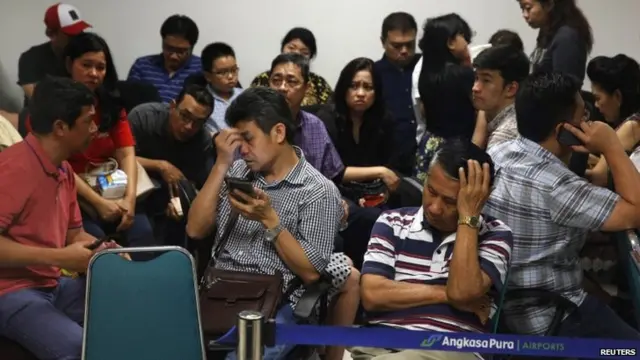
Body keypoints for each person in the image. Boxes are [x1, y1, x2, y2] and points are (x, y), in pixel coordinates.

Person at [186, 87, 359, 360]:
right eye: (236, 139)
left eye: (248, 138)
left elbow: (312, 272)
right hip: (220, 291)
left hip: (278, 301)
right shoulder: (238, 170)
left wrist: (270, 219)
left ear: (278, 133)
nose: (242, 149)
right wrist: (221, 164)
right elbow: (195, 229)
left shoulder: (318, 190)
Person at [483, 72, 640, 339]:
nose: (588, 122)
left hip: (500, 308)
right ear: (563, 131)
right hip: (551, 314)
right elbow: (635, 213)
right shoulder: (557, 185)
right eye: (583, 116)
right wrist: (611, 145)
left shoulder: (497, 152)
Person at [353, 139, 512, 360]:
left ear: (479, 198)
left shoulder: (495, 234)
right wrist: (443, 294)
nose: (435, 208)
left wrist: (468, 218)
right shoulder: (392, 222)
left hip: (452, 348)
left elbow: (462, 292)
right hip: (379, 345)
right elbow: (372, 295)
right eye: (431, 190)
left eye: (450, 201)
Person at [0, 76, 115, 360]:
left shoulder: (62, 168)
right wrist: (61, 257)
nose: (94, 128)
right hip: (10, 291)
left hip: (50, 285)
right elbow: (61, 252)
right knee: (82, 350)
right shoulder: (15, 168)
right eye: (88, 121)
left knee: (132, 305)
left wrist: (102, 251)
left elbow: (74, 234)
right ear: (60, 127)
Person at [25, 33, 157, 253]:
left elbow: (126, 153)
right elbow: (56, 164)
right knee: (97, 247)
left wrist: (130, 200)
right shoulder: (45, 108)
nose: (94, 74)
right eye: (86, 65)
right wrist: (98, 203)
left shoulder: (111, 104)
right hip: (71, 193)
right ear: (69, 64)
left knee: (143, 236)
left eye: (101, 67)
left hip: (113, 188)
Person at [414, 13, 476, 183]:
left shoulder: (425, 75)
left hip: (430, 145)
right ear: (450, 42)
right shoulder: (463, 75)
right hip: (455, 150)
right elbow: (481, 111)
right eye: (463, 36)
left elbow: (424, 111)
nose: (468, 42)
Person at [17, 3, 91, 101]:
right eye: (71, 34)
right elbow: (39, 102)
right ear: (51, 34)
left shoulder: (86, 56)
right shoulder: (31, 58)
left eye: (80, 32)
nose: (78, 38)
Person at [586, 54, 640, 187]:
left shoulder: (632, 125)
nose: (597, 106)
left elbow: (598, 178)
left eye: (598, 98)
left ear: (617, 96)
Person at [374, 12, 421, 157]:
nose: (404, 51)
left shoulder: (427, 67)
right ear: (383, 42)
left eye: (409, 44)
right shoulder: (373, 73)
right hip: (388, 156)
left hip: (426, 154)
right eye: (397, 46)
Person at [127, 15, 202, 103]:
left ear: (192, 47)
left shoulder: (202, 69)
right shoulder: (142, 65)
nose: (173, 56)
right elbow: (129, 100)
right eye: (169, 48)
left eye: (180, 51)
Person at [251, 27, 332, 106]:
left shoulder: (319, 84)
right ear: (282, 49)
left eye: (304, 52)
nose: (296, 53)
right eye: (291, 48)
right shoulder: (262, 79)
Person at [518, 0, 593, 83]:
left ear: (549, 4)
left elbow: (563, 88)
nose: (525, 15)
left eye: (528, 8)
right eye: (522, 9)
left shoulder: (567, 37)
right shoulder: (547, 32)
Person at [471, 45, 530, 149]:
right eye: (476, 78)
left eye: (486, 80)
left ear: (511, 89)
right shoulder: (490, 112)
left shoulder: (506, 136)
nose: (475, 88)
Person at [200, 42, 243, 135]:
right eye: (222, 72)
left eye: (234, 70)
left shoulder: (245, 96)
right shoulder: (201, 101)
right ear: (208, 76)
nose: (231, 76)